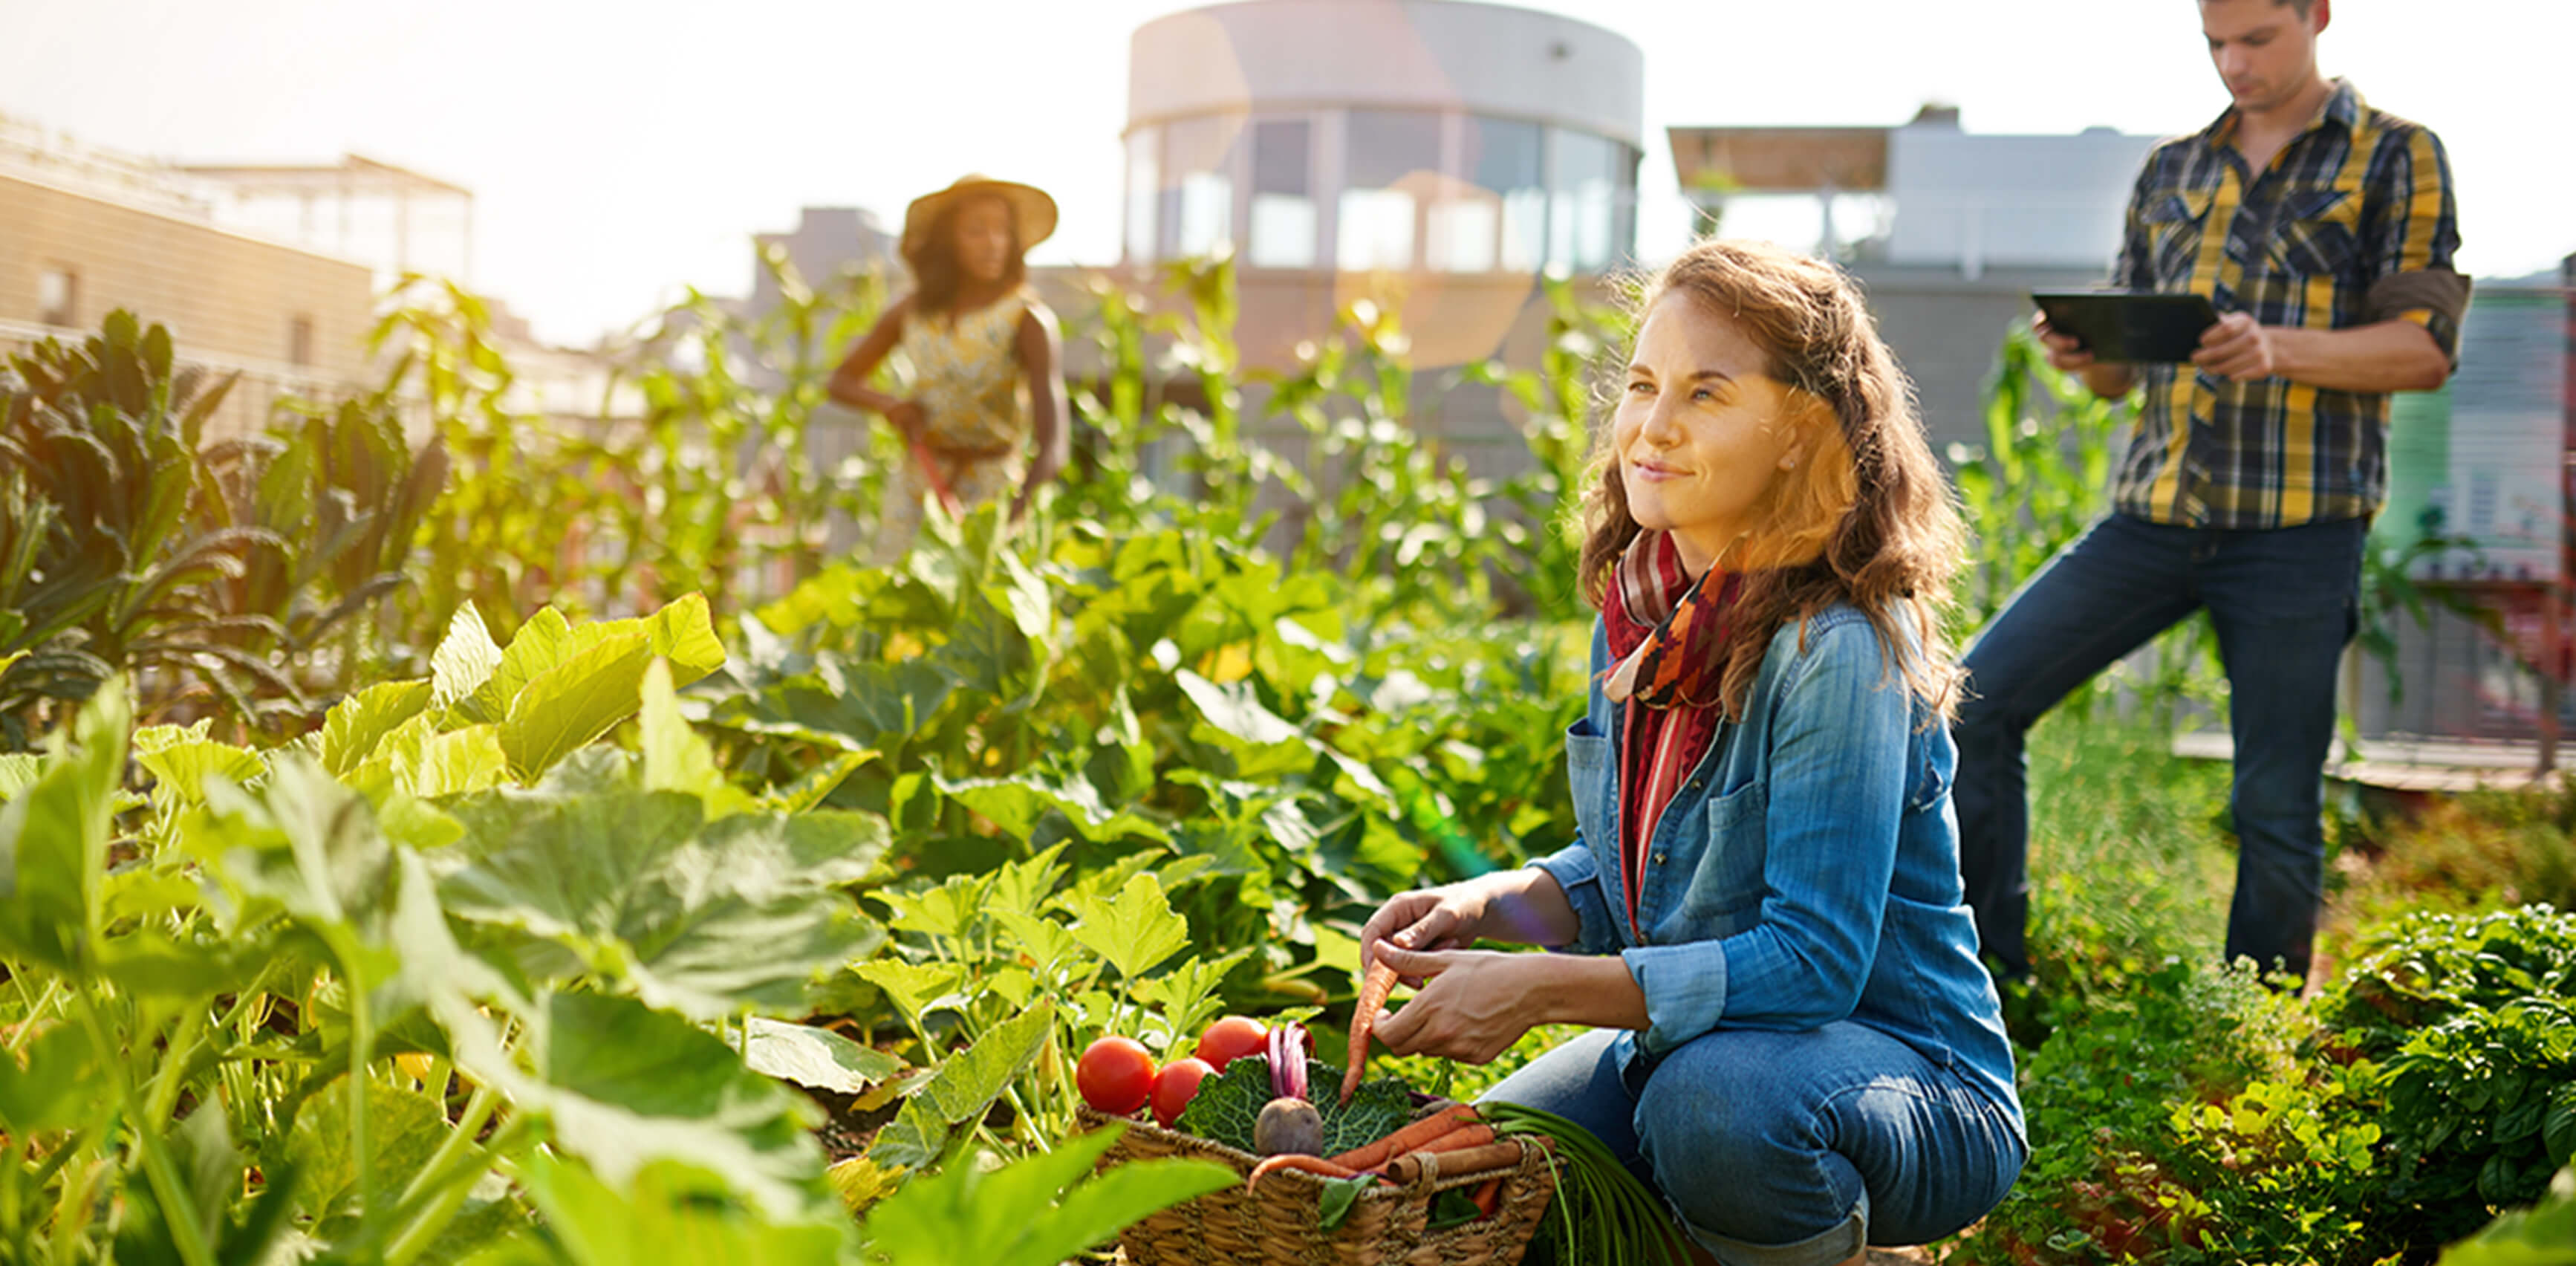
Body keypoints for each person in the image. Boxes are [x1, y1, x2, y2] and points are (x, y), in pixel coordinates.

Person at [1357, 240, 2025, 1265]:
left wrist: (1538, 988)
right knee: (1497, 1173)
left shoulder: (1838, 648)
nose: (1651, 427)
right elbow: (1642, 865)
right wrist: (1492, 904)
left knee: (1711, 1115)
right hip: (1694, 1049)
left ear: (1801, 435)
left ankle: (1825, 1235)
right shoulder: (1640, 617)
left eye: (1706, 394)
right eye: (1640, 385)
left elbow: (1814, 964)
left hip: (1907, 1075)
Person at [1954, 0, 2467, 989]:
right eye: (2214, 43)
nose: (2234, 64)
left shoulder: (2397, 155)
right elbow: (2113, 381)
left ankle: (2255, 1029)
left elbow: (2423, 349)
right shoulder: (2172, 169)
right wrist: (2083, 352)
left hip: (2297, 532)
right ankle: (1991, 985)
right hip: (2153, 519)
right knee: (1972, 703)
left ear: (2316, 14)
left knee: (2274, 801)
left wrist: (2277, 349)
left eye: (2256, 40)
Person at [826, 175, 1070, 559]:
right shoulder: (912, 312)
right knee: (899, 604)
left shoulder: (1027, 320)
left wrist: (1008, 520)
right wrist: (891, 407)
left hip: (993, 495)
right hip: (918, 485)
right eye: (976, 231)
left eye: (1003, 231)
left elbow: (1054, 447)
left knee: (977, 613)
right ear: (947, 242)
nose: (993, 244)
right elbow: (840, 381)